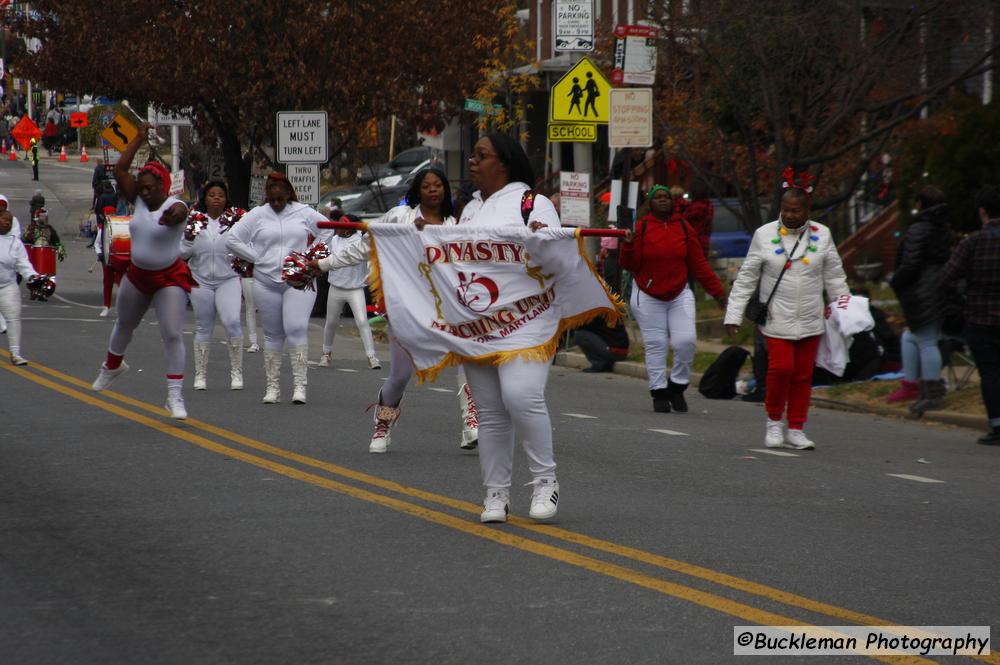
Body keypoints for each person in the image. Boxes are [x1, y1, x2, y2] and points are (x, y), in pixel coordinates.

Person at [311, 167, 480, 452]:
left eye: (438, 185)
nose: (433, 190)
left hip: (446, 309)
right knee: (400, 377)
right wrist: (324, 264)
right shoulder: (398, 217)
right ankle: (384, 421)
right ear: (417, 190)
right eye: (427, 185)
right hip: (405, 309)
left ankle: (470, 424)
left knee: (468, 363)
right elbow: (363, 248)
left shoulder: (455, 225)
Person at [458, 133, 562, 523]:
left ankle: (545, 482)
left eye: (481, 155)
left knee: (521, 396)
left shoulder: (533, 204)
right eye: (473, 154)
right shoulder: (469, 211)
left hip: (527, 321)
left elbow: (556, 257)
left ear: (503, 162)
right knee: (490, 412)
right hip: (477, 323)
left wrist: (540, 238)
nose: (472, 161)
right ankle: (495, 494)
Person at [724, 176, 849, 450]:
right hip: (776, 317)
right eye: (786, 209)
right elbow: (746, 278)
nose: (790, 215)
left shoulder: (823, 234)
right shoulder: (764, 235)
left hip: (811, 318)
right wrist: (733, 314)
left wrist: (845, 310)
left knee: (803, 376)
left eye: (796, 210)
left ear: (807, 211)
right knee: (781, 369)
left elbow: (835, 277)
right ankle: (773, 422)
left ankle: (796, 428)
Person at [90, 125, 193, 420]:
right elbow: (121, 168)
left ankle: (174, 395)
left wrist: (172, 218)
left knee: (172, 332)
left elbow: (180, 214)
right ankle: (111, 366)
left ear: (163, 185)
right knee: (124, 324)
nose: (145, 192)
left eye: (151, 188)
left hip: (168, 277)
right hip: (137, 275)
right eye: (142, 188)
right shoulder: (138, 200)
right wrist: (138, 137)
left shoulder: (175, 205)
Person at [619, 185, 728, 413]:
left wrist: (718, 293)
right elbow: (629, 265)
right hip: (647, 295)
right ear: (649, 203)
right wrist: (628, 244)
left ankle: (677, 386)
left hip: (679, 293)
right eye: (657, 197)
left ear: (672, 202)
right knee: (656, 344)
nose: (662, 200)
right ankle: (659, 392)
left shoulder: (684, 227)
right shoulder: (641, 227)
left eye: (665, 197)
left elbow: (699, 265)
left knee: (685, 341)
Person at [225, 172, 327, 404]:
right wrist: (256, 257)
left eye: (281, 193)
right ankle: (273, 387)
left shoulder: (303, 211)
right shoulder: (257, 215)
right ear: (267, 194)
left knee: (296, 327)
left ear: (289, 191)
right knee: (272, 334)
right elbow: (232, 239)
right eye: (272, 193)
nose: (276, 199)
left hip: (298, 280)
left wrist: (311, 257)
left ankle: (299, 386)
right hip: (265, 281)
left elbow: (327, 229)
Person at [940, 185, 1000, 445]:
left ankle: (997, 424)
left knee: (990, 372)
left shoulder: (972, 242)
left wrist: (962, 295)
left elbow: (947, 277)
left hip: (980, 316)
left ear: (982, 212)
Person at [886, 185, 951, 415]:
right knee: (910, 336)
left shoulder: (918, 230)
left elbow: (911, 264)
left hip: (922, 293)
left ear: (920, 204)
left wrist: (896, 281)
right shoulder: (942, 230)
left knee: (926, 340)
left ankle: (931, 392)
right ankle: (912, 384)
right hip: (938, 290)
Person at [179, 180, 244, 391]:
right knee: (203, 326)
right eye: (212, 195)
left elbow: (246, 247)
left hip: (229, 279)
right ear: (204, 199)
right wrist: (189, 239)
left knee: (232, 321)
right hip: (200, 279)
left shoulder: (235, 222)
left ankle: (236, 373)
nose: (216, 198)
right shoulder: (195, 221)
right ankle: (200, 375)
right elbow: (182, 254)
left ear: (226, 200)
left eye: (221, 195)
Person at [317, 217, 380, 370]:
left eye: (341, 224)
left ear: (350, 227)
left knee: (362, 321)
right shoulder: (334, 240)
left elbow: (372, 261)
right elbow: (324, 257)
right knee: (331, 322)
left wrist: (367, 279)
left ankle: (372, 357)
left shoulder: (361, 241)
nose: (337, 226)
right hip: (336, 288)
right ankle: (326, 354)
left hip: (355, 289)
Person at [0, 209, 38, 365]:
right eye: (4, 219)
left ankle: (15, 353)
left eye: (9, 220)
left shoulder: (16, 243)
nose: (7, 222)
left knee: (13, 318)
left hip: (7, 286)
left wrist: (33, 277)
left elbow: (23, 264)